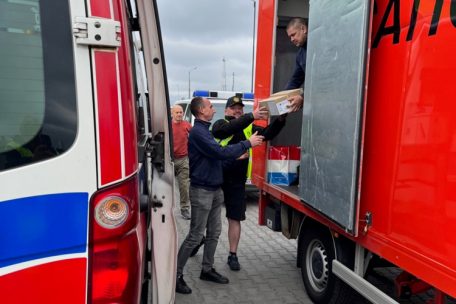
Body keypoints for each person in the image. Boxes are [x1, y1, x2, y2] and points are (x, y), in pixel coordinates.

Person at [175, 96, 264, 294]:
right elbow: (218, 152)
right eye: (209, 107)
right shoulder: (199, 133)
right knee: (195, 235)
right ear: (200, 111)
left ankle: (207, 269)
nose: (213, 110)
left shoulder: (205, 131)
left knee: (214, 233)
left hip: (215, 189)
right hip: (202, 191)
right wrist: (246, 144)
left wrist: (234, 155)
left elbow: (217, 159)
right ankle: (176, 275)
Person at [211, 96, 286, 271]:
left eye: (240, 108)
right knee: (209, 219)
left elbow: (267, 134)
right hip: (217, 179)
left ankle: (233, 255)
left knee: (235, 218)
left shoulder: (247, 127)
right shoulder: (219, 125)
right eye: (234, 107)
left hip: (236, 182)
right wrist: (251, 116)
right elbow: (230, 129)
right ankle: (199, 240)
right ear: (227, 111)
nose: (238, 110)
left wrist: (281, 119)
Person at [171, 105, 192, 220]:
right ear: (172, 113)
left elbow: (195, 136)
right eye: (177, 112)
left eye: (181, 112)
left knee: (184, 185)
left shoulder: (186, 125)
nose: (179, 114)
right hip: (170, 160)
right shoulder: (168, 126)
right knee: (167, 186)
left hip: (183, 159)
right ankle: (166, 209)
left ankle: (184, 209)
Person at [285, 17, 308, 112]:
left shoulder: (319, 45)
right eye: (290, 37)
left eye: (293, 35)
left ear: (303, 29)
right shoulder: (300, 54)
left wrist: (302, 97)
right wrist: (283, 97)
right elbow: (296, 79)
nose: (292, 39)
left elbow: (322, 79)